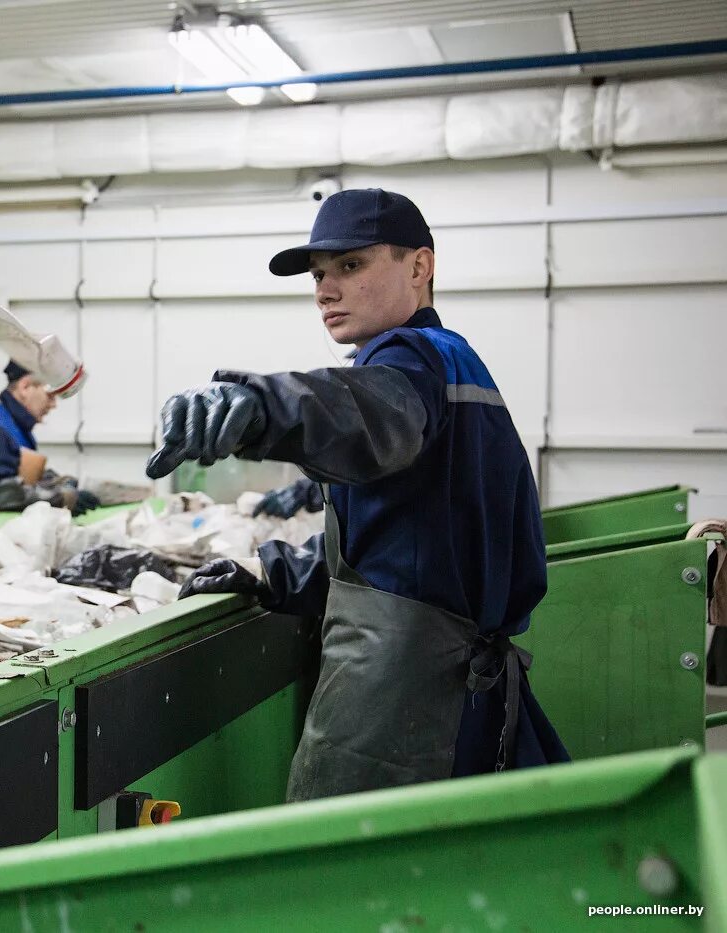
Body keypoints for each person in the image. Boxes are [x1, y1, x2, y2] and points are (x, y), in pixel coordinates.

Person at [146, 188, 568, 801]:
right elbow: (406, 545)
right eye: (319, 275)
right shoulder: (458, 364)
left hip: (400, 699)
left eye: (350, 266)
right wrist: (276, 573)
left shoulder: (408, 362)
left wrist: (262, 406)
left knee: (345, 876)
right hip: (460, 689)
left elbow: (366, 411)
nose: (325, 290)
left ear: (419, 267)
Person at [0, 362, 100, 516]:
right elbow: (1, 495)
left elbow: (18, 474)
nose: (54, 405)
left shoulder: (12, 425)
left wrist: (55, 482)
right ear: (25, 387)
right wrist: (62, 498)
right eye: (50, 396)